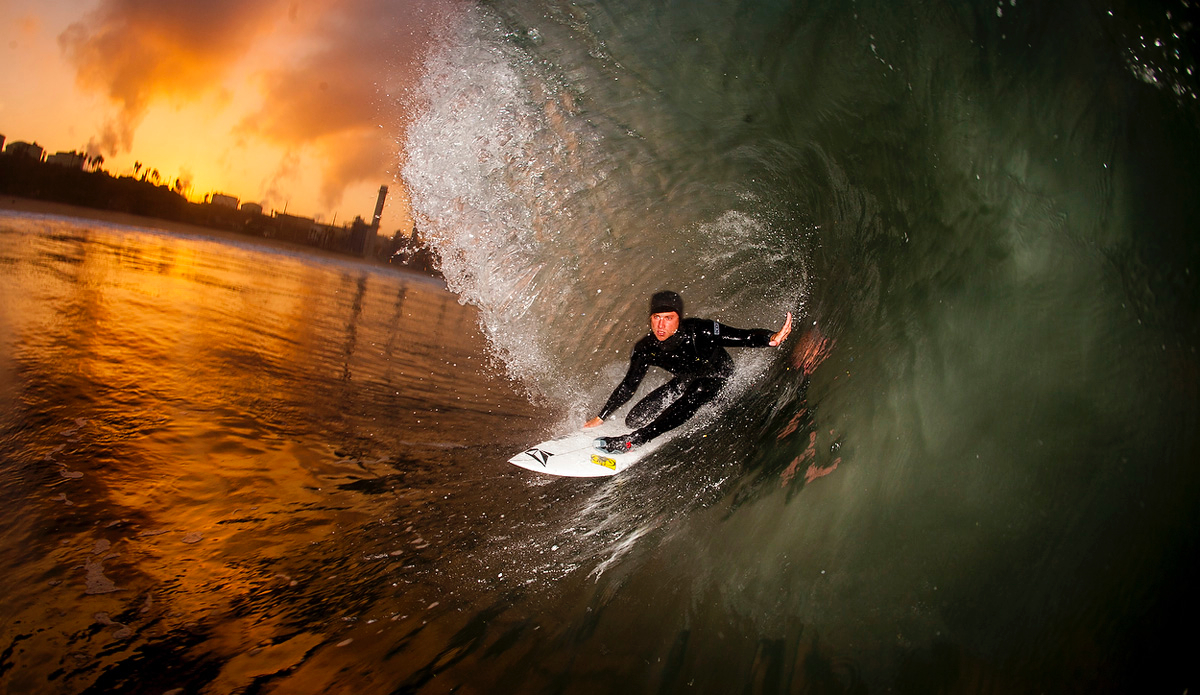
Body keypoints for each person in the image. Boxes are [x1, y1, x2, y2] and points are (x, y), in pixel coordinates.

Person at [585, 290, 792, 453]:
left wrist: (771, 338)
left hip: (718, 381)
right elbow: (629, 385)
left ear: (679, 318)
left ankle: (637, 439)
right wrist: (601, 416)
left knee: (699, 389)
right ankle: (644, 427)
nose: (661, 325)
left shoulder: (701, 331)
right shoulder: (646, 348)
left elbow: (743, 337)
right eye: (657, 317)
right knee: (634, 419)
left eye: (668, 318)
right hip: (686, 381)